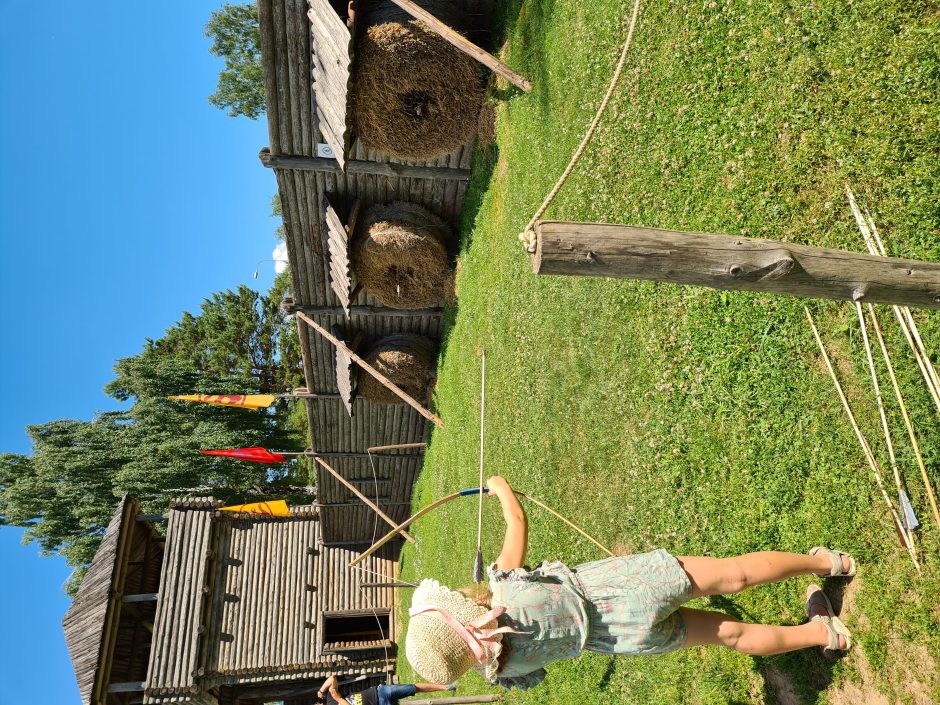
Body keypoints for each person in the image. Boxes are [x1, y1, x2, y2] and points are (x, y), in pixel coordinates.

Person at [405, 476, 854, 689]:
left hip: (627, 637)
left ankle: (822, 635)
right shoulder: (501, 587)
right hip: (626, 588)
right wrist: (500, 488)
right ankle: (828, 564)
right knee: (731, 574)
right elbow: (516, 519)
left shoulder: (506, 671)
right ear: (456, 611)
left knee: (730, 635)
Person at [316, 675, 455, 705]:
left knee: (413, 688)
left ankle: (446, 687)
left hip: (378, 692)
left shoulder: (329, 698)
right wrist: (340, 699)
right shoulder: (336, 698)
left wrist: (322, 691)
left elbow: (332, 679)